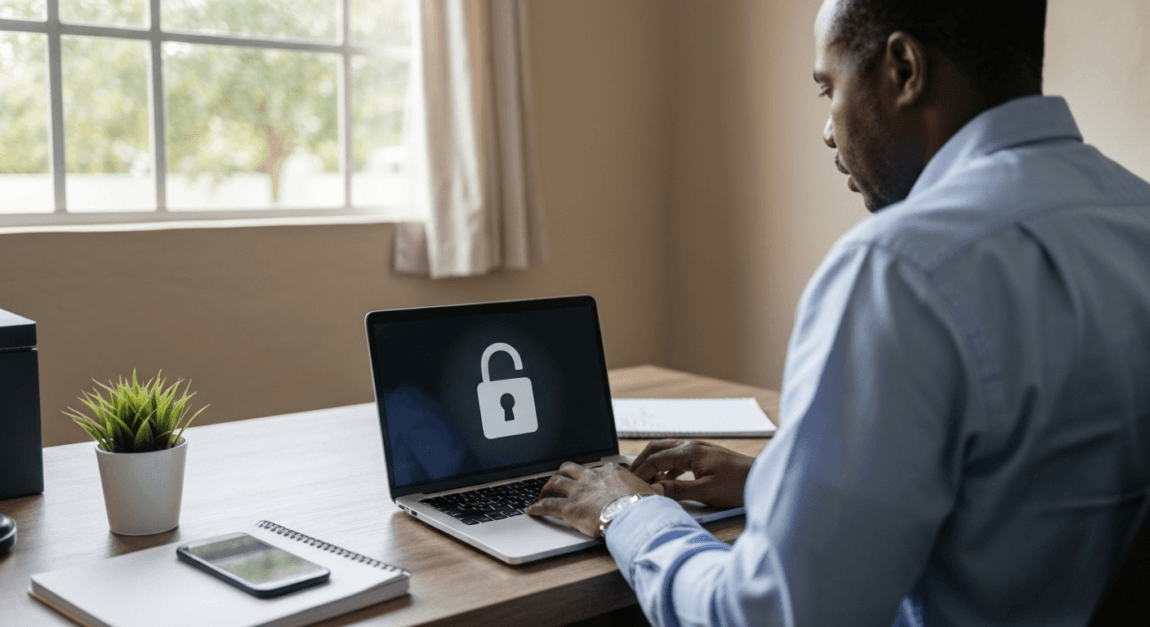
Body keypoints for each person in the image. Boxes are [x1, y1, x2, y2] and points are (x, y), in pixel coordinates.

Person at [524, 0, 1150, 624]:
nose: (828, 129)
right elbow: (1034, 489)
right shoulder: (1134, 215)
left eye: (830, 88)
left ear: (905, 69)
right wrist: (781, 481)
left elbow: (766, 615)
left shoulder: (901, 267)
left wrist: (627, 513)